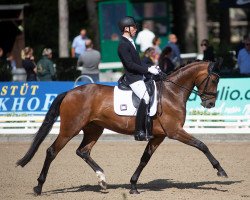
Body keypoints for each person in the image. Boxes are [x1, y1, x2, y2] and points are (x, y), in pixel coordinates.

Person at [117, 16, 160, 141]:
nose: (136, 29)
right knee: (145, 97)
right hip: (132, 78)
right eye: (134, 27)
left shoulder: (131, 42)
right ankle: (139, 131)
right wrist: (147, 70)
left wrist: (152, 67)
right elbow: (130, 65)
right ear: (126, 29)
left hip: (139, 76)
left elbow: (138, 62)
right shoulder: (123, 45)